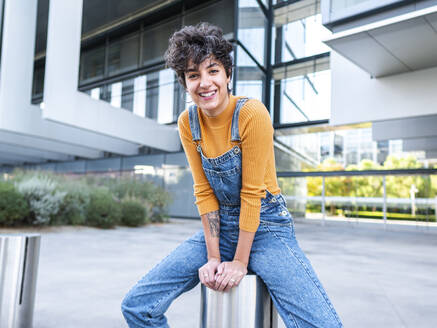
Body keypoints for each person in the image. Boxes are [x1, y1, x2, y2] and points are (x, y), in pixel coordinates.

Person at [121, 22, 343, 328]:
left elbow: (252, 194)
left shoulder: (252, 113)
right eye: (193, 74)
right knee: (137, 306)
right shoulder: (188, 123)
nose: (204, 82)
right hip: (221, 228)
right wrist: (214, 257)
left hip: (267, 230)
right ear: (185, 83)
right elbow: (204, 192)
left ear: (227, 74)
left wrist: (239, 262)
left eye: (212, 70)